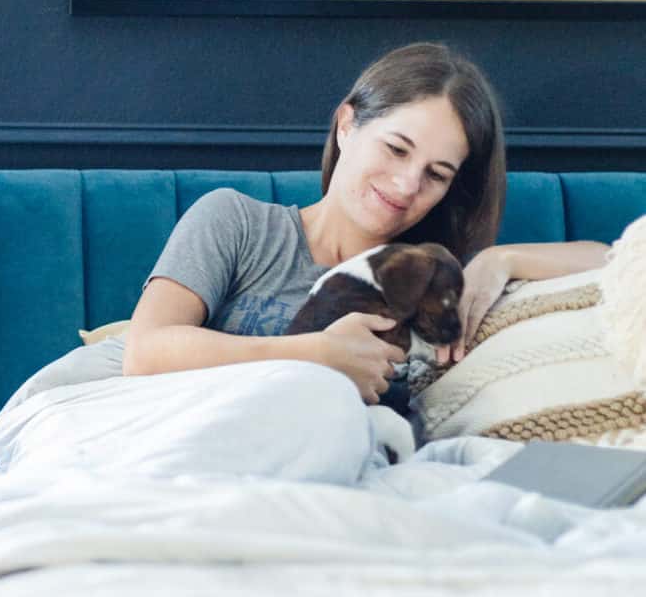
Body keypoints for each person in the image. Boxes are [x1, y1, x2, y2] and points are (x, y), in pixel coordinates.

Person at [123, 42, 609, 405]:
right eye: (396, 149)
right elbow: (143, 353)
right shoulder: (238, 222)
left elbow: (622, 261)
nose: (404, 186)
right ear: (347, 125)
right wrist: (315, 353)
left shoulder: (434, 283)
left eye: (436, 175)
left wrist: (503, 258)